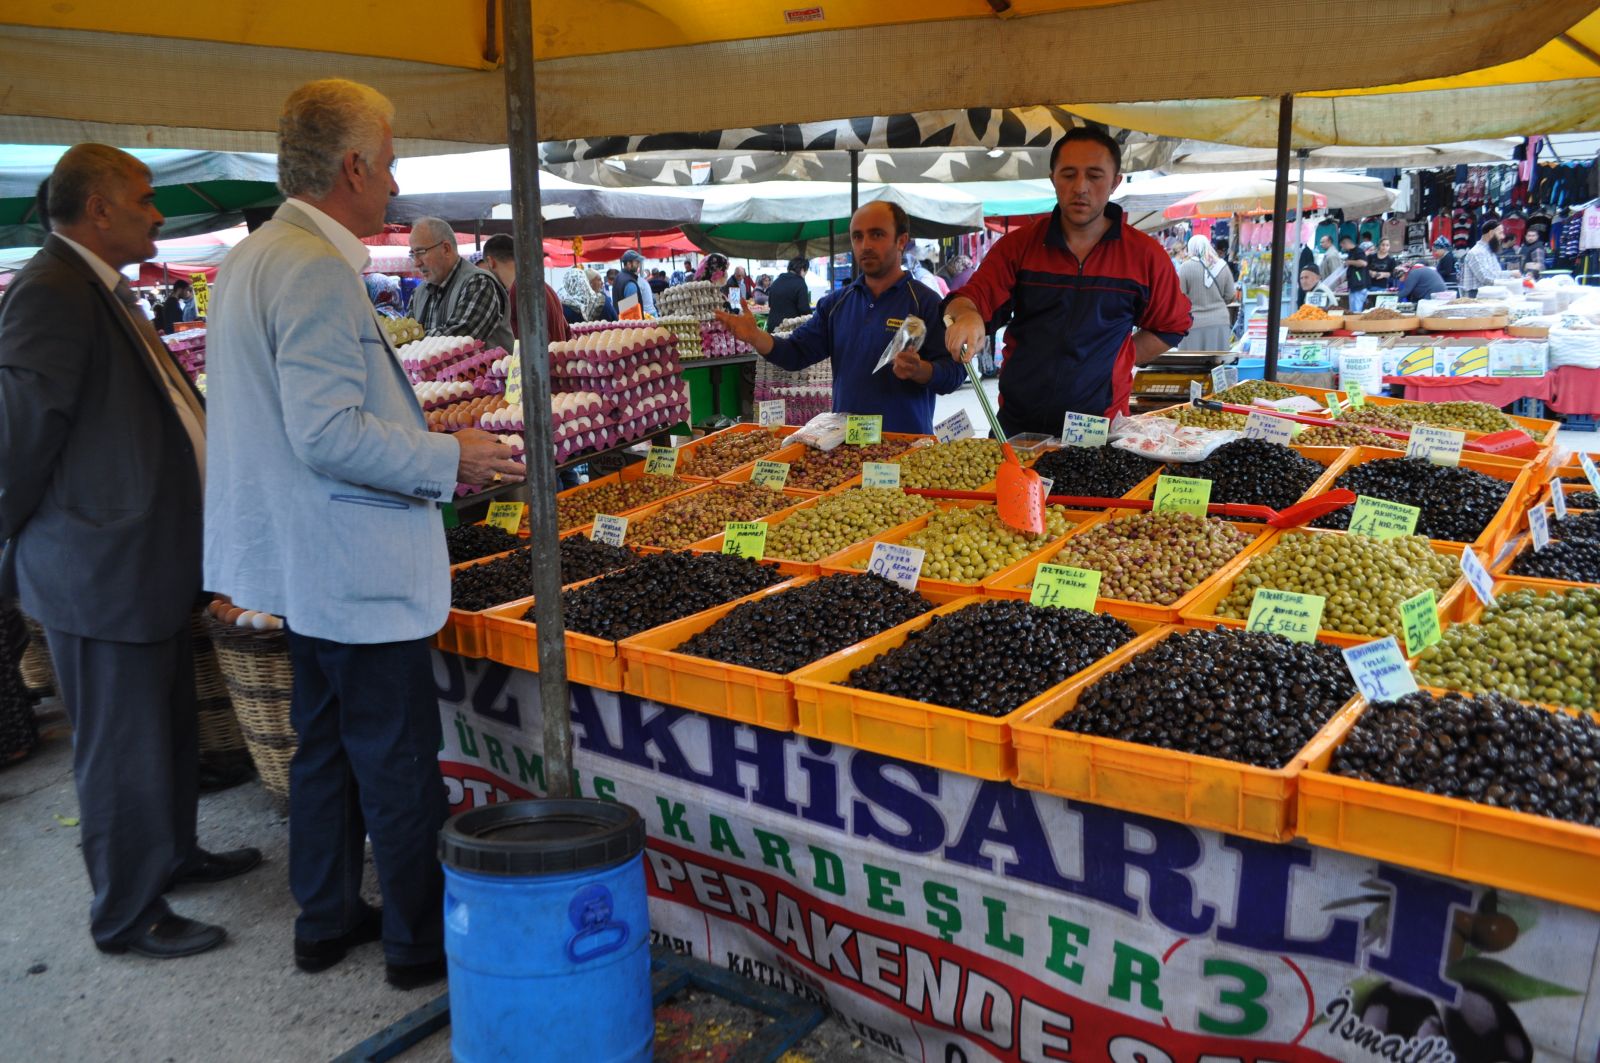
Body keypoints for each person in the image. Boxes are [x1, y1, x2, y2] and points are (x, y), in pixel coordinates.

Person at [205, 79, 524, 990]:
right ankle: (420, 946)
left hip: (304, 562)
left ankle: (326, 916)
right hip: (351, 562)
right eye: (386, 162)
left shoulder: (252, 258)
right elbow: (327, 432)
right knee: (394, 759)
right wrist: (446, 452)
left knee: (326, 744)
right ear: (350, 166)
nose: (394, 181)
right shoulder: (310, 269)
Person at [0, 144, 260, 960]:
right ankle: (126, 911)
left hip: (142, 559)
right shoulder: (49, 291)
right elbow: (17, 438)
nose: (158, 213)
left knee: (166, 727)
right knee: (121, 747)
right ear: (99, 209)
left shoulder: (96, 288)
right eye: (144, 199)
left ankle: (171, 854)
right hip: (99, 566)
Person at [942, 128, 1192, 436]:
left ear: (1115, 182)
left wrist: (1119, 355)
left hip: (1099, 430)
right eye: (1069, 174)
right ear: (1053, 179)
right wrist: (967, 316)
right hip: (1018, 427)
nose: (1080, 187)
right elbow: (969, 299)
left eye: (1095, 176)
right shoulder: (1018, 247)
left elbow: (1172, 325)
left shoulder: (1145, 255)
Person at [714, 201, 962, 435]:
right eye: (857, 236)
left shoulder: (926, 303)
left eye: (877, 234)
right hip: (846, 447)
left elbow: (954, 373)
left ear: (901, 241)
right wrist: (757, 337)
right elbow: (796, 352)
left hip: (905, 447)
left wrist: (922, 370)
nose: (865, 245)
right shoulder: (836, 304)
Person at [405, 216, 514, 352]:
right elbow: (405, 335)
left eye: (421, 252)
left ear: (446, 249)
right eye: (412, 254)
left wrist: (411, 340)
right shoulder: (419, 293)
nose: (416, 263)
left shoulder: (479, 283)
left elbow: (459, 341)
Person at [479, 234, 569, 344]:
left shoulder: (521, 290)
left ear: (490, 262)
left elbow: (537, 343)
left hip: (543, 360)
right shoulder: (544, 287)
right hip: (556, 359)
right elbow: (567, 333)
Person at [1177, 234, 1236, 350]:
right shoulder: (1222, 266)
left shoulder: (1185, 268)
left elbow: (1179, 297)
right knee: (1217, 363)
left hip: (1193, 324)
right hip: (1220, 323)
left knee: (1194, 365)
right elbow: (1230, 296)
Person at [764, 256, 812, 333]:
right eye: (806, 272)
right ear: (802, 270)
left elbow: (770, 304)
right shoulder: (800, 283)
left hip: (772, 327)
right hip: (788, 328)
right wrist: (812, 317)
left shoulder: (776, 281)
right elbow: (804, 309)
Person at [1459, 219, 1504, 298]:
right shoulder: (1476, 252)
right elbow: (1485, 278)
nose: (1502, 237)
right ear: (1491, 233)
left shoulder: (1489, 251)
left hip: (1489, 294)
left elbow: (1497, 273)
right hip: (1477, 296)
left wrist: (1510, 276)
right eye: (1500, 233)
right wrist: (1509, 276)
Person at [611, 250, 657, 317]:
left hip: (621, 322)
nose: (638, 265)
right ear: (629, 264)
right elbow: (632, 311)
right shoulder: (630, 283)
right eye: (637, 262)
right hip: (630, 324)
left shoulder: (619, 277)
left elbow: (621, 306)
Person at [1340, 234, 1371, 313]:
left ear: (1345, 243)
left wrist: (1349, 262)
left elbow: (1363, 263)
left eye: (1342, 246)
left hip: (1359, 286)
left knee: (1356, 311)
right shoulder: (1351, 252)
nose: (1342, 248)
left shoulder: (1358, 251)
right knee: (1352, 310)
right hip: (1353, 286)